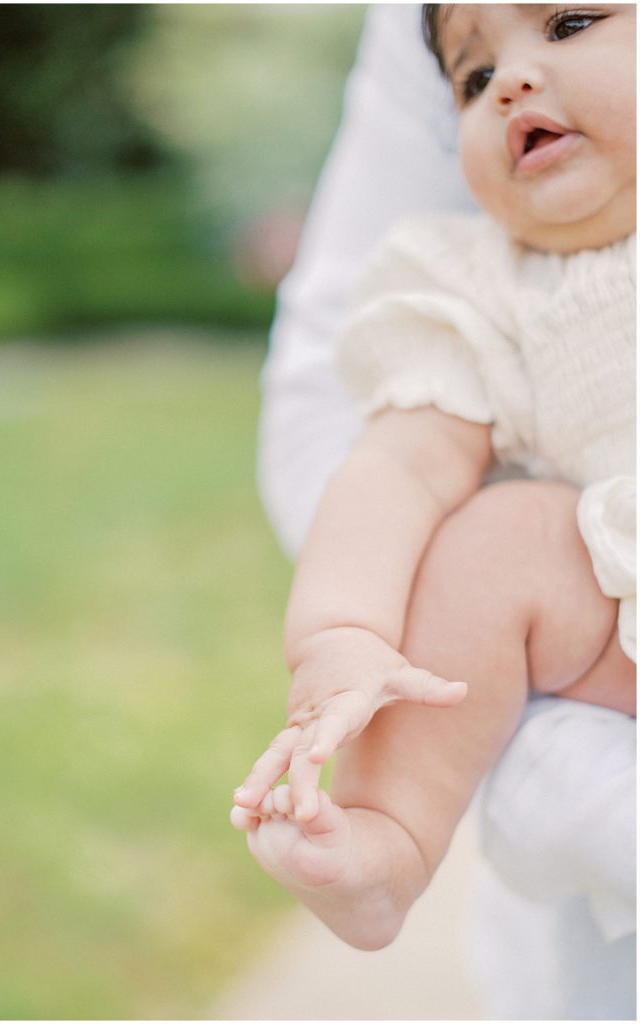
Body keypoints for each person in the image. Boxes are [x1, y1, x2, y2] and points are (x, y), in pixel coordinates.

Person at [233, 5, 636, 1018]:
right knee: (494, 542)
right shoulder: (483, 285)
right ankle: (386, 838)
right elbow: (400, 468)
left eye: (572, 20)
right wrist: (343, 632)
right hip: (619, 639)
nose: (510, 79)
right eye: (469, 76)